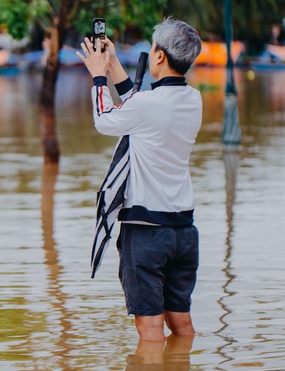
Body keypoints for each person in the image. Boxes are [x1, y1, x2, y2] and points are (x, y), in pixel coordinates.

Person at [77, 18, 203, 343]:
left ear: (158, 57)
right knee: (181, 323)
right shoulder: (193, 100)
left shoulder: (147, 105)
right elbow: (138, 105)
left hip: (147, 233)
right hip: (184, 233)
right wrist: (114, 62)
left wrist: (98, 75)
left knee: (149, 331)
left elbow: (106, 120)